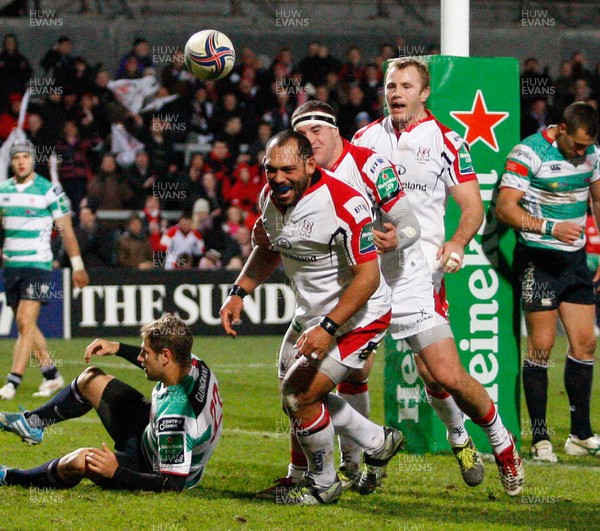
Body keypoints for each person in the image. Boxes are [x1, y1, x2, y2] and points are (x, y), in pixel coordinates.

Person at [251, 100, 488, 496]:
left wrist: (402, 238)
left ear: (330, 136)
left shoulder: (361, 171)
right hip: (328, 302)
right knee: (313, 388)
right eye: (301, 135)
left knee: (439, 374)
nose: (310, 140)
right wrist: (241, 288)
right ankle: (355, 460)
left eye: (316, 132)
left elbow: (404, 229)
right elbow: (272, 243)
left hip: (395, 282)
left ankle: (467, 439)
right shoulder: (280, 191)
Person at [353, 58, 524, 495]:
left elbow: (472, 207)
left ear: (424, 92)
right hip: (369, 273)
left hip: (418, 273)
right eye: (391, 84)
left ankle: (490, 443)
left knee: (442, 376)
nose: (395, 92)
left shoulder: (446, 140)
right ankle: (363, 460)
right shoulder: (364, 139)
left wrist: (459, 243)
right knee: (354, 369)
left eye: (406, 85)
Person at [220, 131, 402, 505]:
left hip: (358, 316)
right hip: (311, 315)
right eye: (271, 170)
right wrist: (239, 291)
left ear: (310, 164)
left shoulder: (344, 204)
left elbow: (368, 278)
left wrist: (329, 328)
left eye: (288, 169)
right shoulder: (270, 197)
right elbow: (269, 247)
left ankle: (324, 485)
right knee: (296, 395)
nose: (278, 178)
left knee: (299, 395)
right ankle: (374, 441)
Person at [0, 314, 222, 492]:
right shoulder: (192, 363)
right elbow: (157, 360)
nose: (140, 358)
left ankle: (10, 476)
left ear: (165, 356)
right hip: (151, 433)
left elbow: (172, 484)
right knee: (91, 379)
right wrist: (117, 347)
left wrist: (116, 472)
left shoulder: (177, 421)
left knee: (80, 461)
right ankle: (33, 423)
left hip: (151, 466)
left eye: (145, 353)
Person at [496, 102, 600, 462]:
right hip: (538, 258)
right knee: (540, 346)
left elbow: (598, 200)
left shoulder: (593, 154)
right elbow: (505, 206)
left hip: (574, 261)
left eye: (588, 146)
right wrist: (549, 227)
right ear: (561, 129)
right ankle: (540, 439)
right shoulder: (529, 152)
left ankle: (580, 434)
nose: (581, 153)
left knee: (585, 344)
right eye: (577, 145)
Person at [0, 140, 89, 400]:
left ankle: (12, 382)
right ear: (12, 161)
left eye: (26, 157)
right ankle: (51, 375)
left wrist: (77, 266)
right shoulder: (3, 191)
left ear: (33, 160)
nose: (21, 161)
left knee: (25, 323)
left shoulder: (49, 191)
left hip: (39, 265)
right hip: (12, 266)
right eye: (17, 157)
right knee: (25, 324)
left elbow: (67, 231)